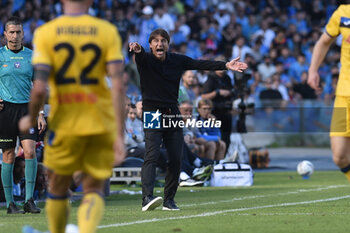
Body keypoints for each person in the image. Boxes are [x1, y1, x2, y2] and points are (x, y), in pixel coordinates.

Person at [19, 0, 126, 233]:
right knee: (93, 189)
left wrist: (30, 116)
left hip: (64, 123)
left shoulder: (46, 33)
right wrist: (119, 133)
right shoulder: (107, 31)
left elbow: (38, 88)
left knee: (57, 187)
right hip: (98, 123)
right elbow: (118, 85)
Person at [129, 28, 247, 211]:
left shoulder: (177, 60)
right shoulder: (145, 59)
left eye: (163, 41)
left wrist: (225, 66)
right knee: (151, 154)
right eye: (156, 41)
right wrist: (137, 50)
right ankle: (147, 198)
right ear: (151, 44)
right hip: (152, 112)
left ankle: (169, 200)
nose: (160, 44)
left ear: (168, 44)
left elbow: (200, 64)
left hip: (172, 112)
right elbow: (139, 55)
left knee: (176, 157)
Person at [0, 16, 46, 214]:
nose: (15, 35)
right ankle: (10, 203)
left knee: (29, 151)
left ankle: (29, 200)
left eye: (18, 32)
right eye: (11, 32)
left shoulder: (32, 56)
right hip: (5, 111)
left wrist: (41, 113)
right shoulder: (0, 56)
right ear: (5, 34)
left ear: (23, 34)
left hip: (27, 109)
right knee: (9, 155)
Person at [308, 4, 350, 185]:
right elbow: (323, 42)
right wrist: (312, 71)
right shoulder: (342, 13)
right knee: (340, 156)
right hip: (343, 95)